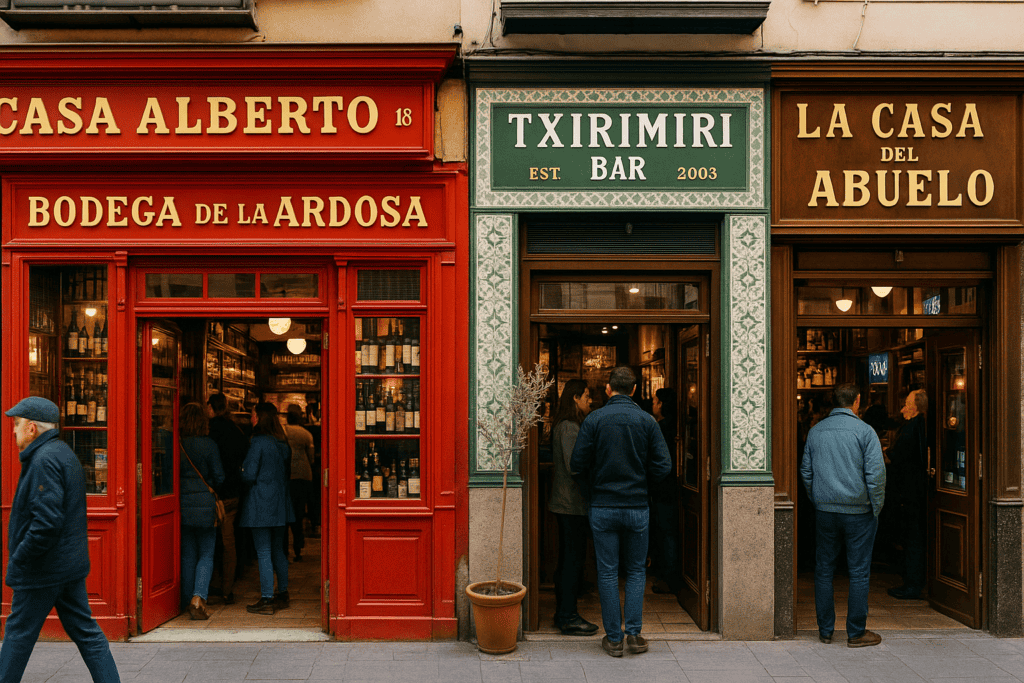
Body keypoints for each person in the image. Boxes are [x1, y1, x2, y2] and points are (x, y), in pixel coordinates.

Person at [1, 397, 120, 683]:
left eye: (16, 424)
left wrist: (19, 558)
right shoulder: (62, 452)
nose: (13, 431)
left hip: (44, 570)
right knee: (87, 633)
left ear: (31, 428)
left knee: (18, 635)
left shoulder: (44, 460)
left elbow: (46, 523)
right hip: (68, 567)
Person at [570, 367, 671, 657]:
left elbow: (577, 464)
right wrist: (643, 483)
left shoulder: (594, 419)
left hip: (602, 506)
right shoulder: (647, 420)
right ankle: (634, 635)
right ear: (636, 389)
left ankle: (614, 639)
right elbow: (664, 466)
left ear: (608, 388)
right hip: (637, 506)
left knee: (608, 571)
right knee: (637, 571)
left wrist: (593, 488)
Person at [800, 382, 886, 648]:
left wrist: (818, 499)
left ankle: (825, 630)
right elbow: (876, 475)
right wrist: (876, 506)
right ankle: (856, 632)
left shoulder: (816, 431)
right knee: (859, 571)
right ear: (857, 401)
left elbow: (806, 472)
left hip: (825, 511)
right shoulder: (865, 432)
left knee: (824, 570)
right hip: (859, 511)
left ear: (833, 401)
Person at [547, 379, 599, 636]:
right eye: (587, 396)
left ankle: (564, 614)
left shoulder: (567, 425)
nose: (590, 400)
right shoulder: (569, 428)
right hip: (570, 504)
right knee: (571, 561)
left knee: (570, 559)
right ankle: (568, 616)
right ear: (575, 398)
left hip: (568, 503)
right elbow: (574, 465)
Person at [239, 402, 293, 615]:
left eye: (252, 414)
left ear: (260, 417)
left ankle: (267, 599)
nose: (251, 418)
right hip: (280, 503)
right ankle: (284, 593)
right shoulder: (282, 443)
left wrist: (240, 469)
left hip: (261, 502)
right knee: (279, 550)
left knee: (263, 551)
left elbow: (249, 474)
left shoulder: (258, 442)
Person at [178, 402, 225, 620]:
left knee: (188, 554)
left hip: (182, 505)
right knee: (206, 553)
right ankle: (199, 597)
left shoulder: (177, 444)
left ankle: (188, 598)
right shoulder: (210, 445)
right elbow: (220, 477)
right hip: (205, 504)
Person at [206, 392, 249, 605]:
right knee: (229, 542)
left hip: (212, 494)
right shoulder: (237, 431)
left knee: (208, 541)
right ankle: (228, 587)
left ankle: (209, 584)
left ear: (212, 408)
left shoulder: (208, 432)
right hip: (233, 493)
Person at [886, 389, 928, 600]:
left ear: (916, 407)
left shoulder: (912, 428)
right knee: (912, 537)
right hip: (914, 490)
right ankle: (912, 582)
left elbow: (899, 455)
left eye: (907, 404)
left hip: (910, 492)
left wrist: (886, 452)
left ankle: (912, 584)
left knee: (913, 539)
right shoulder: (917, 426)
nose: (902, 408)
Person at [648, 387, 682, 596]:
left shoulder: (660, 428)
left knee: (666, 533)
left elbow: (658, 462)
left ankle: (668, 579)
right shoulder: (674, 427)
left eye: (654, 401)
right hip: (671, 487)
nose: (652, 404)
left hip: (663, 489)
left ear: (661, 404)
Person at [283, 403, 315, 562]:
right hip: (303, 476)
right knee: (299, 512)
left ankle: (283, 548)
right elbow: (311, 458)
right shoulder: (306, 434)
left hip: (286, 476)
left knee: (284, 512)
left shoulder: (282, 432)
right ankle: (298, 547)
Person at [304, 403, 322, 538]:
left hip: (311, 468)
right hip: (320, 467)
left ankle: (314, 521)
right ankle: (318, 521)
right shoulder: (322, 430)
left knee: (313, 496)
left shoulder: (307, 430)